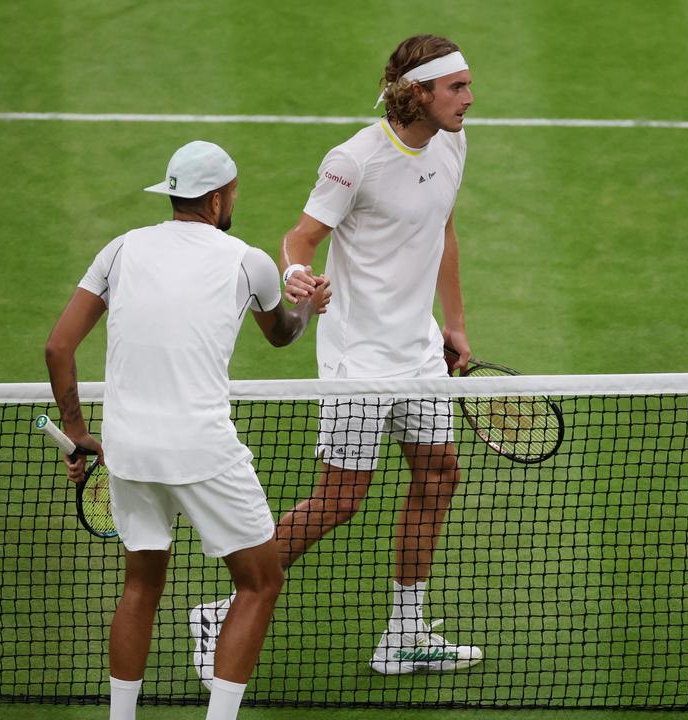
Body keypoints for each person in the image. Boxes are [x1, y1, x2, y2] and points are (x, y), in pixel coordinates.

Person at [192, 34, 481, 679]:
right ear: (419, 92)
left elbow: (444, 229)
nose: (469, 97)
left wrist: (454, 324)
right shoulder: (354, 161)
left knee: (438, 478)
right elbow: (301, 238)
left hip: (419, 352)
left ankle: (404, 635)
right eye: (456, 87)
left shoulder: (453, 142)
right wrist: (297, 276)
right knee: (340, 499)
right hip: (359, 360)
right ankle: (221, 609)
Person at [45, 140, 329, 720]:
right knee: (260, 582)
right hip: (202, 451)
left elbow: (58, 347)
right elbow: (281, 335)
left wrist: (78, 433)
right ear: (220, 197)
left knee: (141, 586)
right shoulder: (247, 260)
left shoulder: (121, 249)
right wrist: (310, 306)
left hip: (127, 449)